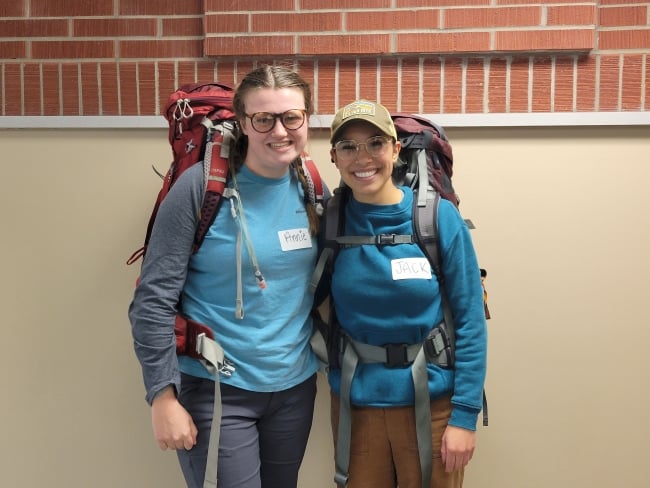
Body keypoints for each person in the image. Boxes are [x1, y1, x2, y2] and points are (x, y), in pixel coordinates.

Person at [129, 65, 325, 488]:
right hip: (216, 390)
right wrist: (162, 396)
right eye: (263, 119)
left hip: (294, 389)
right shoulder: (200, 189)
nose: (280, 131)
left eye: (292, 117)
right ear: (242, 122)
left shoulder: (311, 186)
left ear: (307, 119)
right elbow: (152, 300)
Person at [323, 99, 487, 488]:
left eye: (375, 143)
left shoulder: (436, 217)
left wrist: (464, 415)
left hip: (432, 405)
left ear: (396, 149)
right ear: (334, 157)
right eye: (348, 146)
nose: (362, 157)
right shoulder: (329, 220)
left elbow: (470, 320)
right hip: (355, 404)